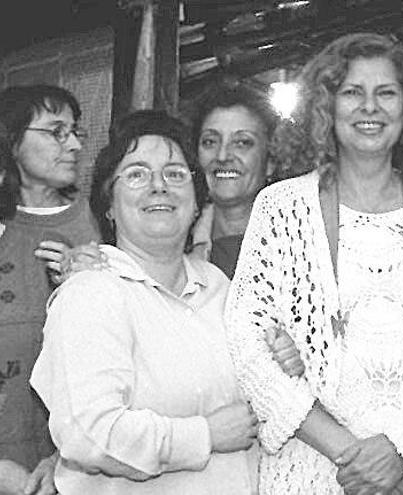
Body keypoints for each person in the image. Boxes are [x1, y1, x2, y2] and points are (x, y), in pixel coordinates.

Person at [224, 33, 403, 494]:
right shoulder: (280, 208)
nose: (369, 107)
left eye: (386, 93)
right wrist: (350, 453)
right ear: (327, 105)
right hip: (316, 469)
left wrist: (401, 454)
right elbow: (250, 345)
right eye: (352, 92)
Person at [30, 110, 259, 494]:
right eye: (136, 174)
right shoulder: (92, 293)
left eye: (175, 174)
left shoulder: (219, 286)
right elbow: (88, 432)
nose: (159, 186)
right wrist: (203, 436)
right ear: (108, 204)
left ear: (197, 200)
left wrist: (284, 354)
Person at [0, 85, 100, 495]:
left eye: (75, 131)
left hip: (70, 463)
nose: (74, 144)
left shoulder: (100, 221)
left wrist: (92, 286)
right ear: (12, 141)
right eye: (56, 131)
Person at [189, 82, 279, 278]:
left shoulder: (298, 241)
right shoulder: (177, 238)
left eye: (242, 143)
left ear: (270, 160)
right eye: (210, 142)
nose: (222, 156)